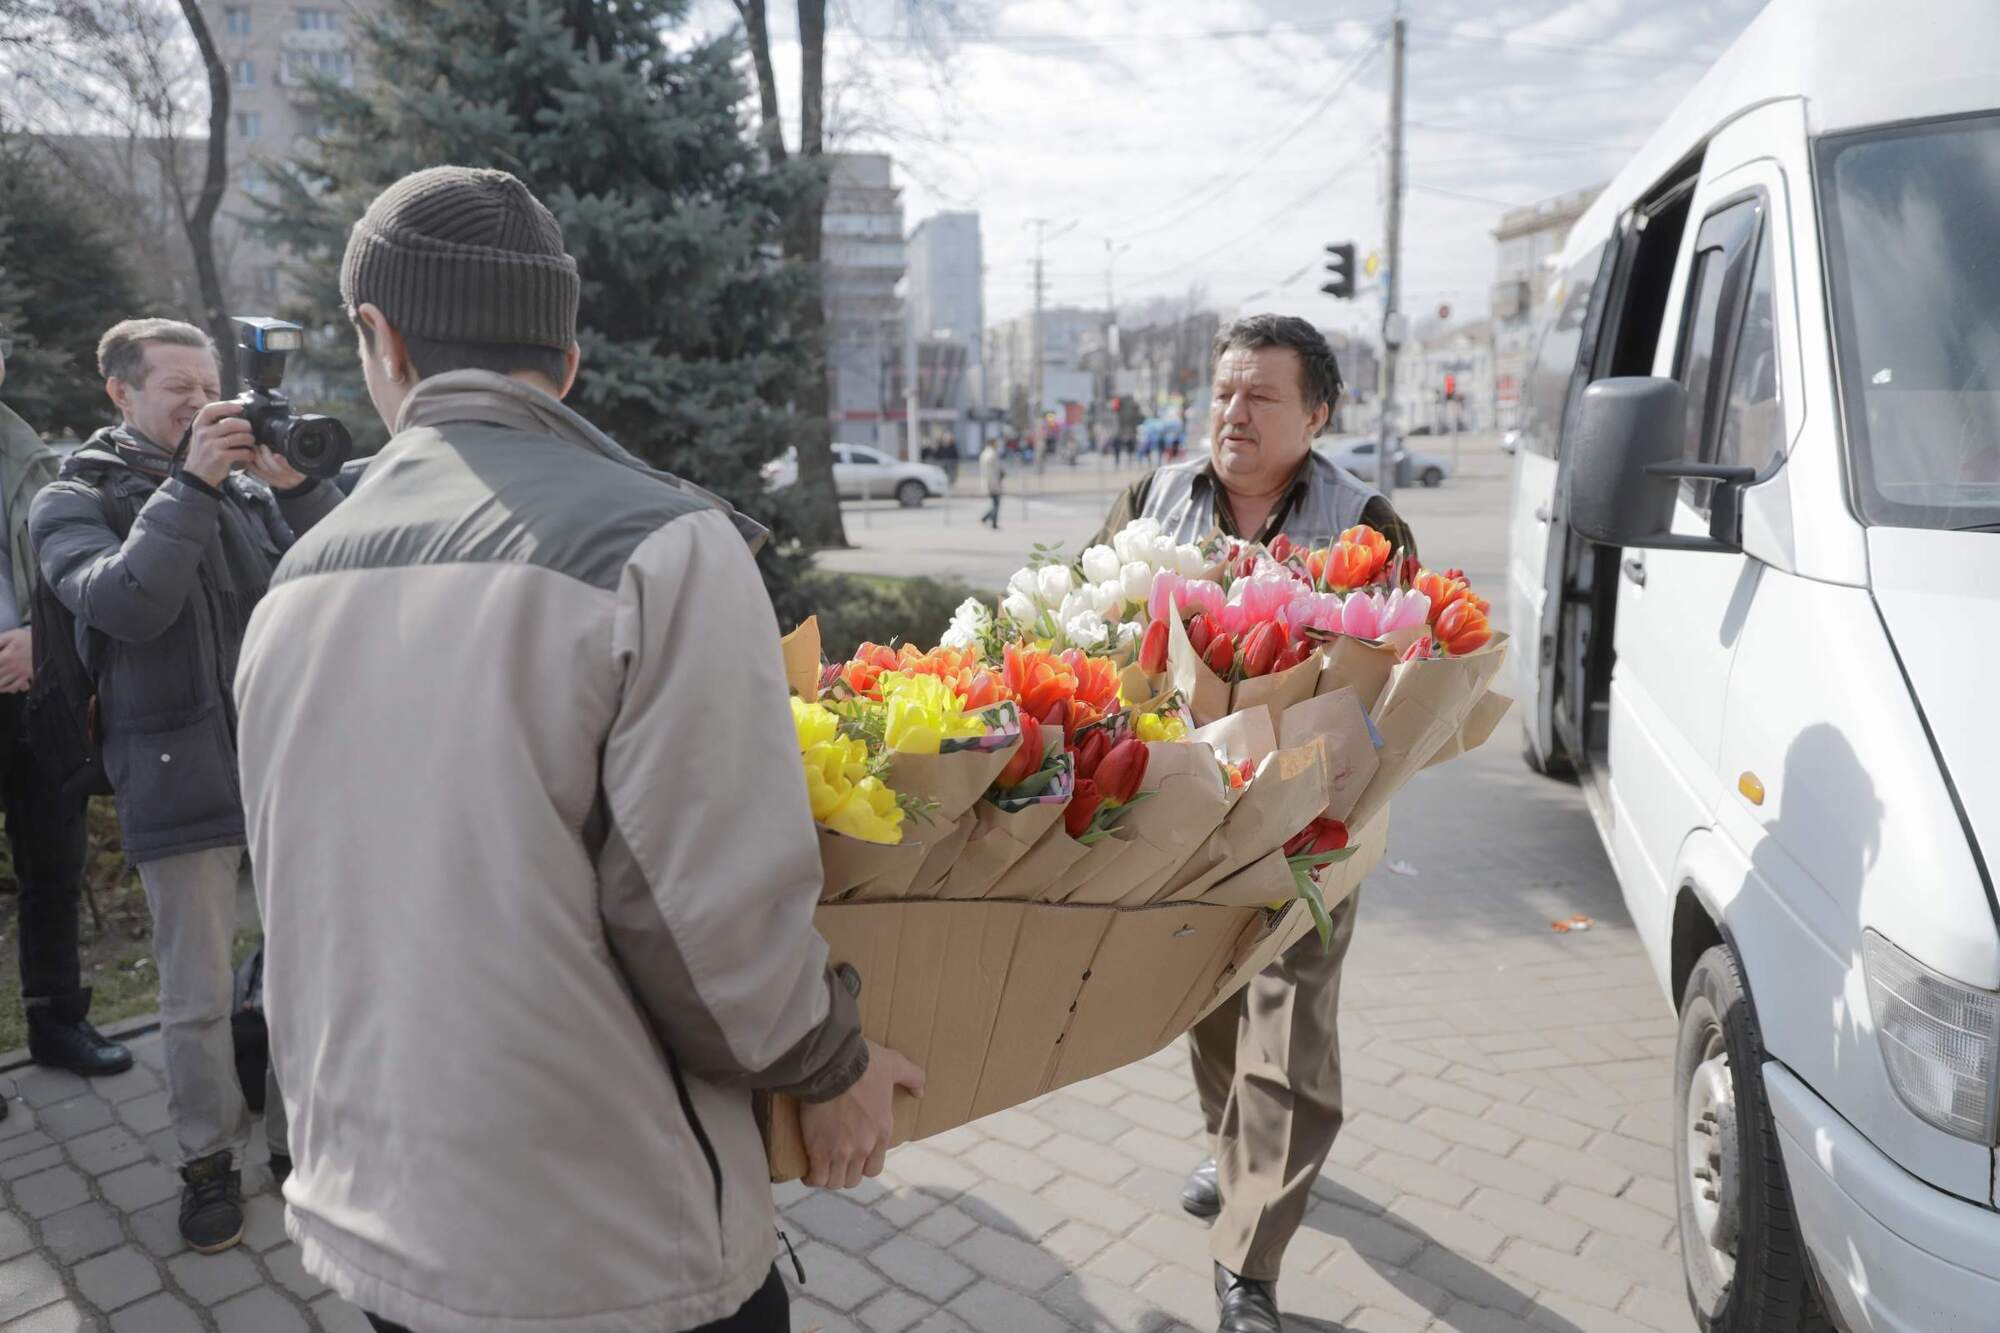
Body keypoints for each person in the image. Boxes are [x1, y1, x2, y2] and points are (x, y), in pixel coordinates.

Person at [233, 166, 924, 1333]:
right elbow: (710, 924)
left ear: (378, 337)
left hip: (379, 1222)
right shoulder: (660, 546)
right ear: (565, 359)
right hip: (608, 1251)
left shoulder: (295, 580)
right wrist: (832, 1065)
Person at [1089, 314, 1415, 1333]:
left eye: (1260, 396)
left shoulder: (1363, 521)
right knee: (1209, 1002)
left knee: (1290, 1030)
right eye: (1224, 393)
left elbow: (1405, 676)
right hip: (1189, 818)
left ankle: (1249, 1260)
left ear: (1315, 413)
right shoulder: (1152, 502)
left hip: (1310, 822)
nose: (1234, 413)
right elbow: (1090, 629)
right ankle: (1234, 1147)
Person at [30, 317, 340, 1250]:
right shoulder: (70, 498)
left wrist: (307, 488)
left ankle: (298, 1147)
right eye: (179, 385)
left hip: (280, 762)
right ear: (122, 393)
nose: (206, 399)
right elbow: (126, 601)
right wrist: (193, 482)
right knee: (198, 996)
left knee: (301, 977)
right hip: (174, 774)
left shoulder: (241, 480)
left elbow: (317, 581)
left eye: (211, 380)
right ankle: (208, 1160)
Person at [0, 335, 134, 1110]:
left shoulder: (29, 452)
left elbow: (61, 567)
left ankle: (56, 1023)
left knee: (54, 863)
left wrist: (37, 641)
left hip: (33, 690)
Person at [979, 437, 1003, 529]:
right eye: (996, 443)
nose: (997, 445)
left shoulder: (985, 453)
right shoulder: (991, 454)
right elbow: (994, 469)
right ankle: (990, 521)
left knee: (995, 503)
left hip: (990, 481)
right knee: (996, 503)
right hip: (993, 482)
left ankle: (989, 520)